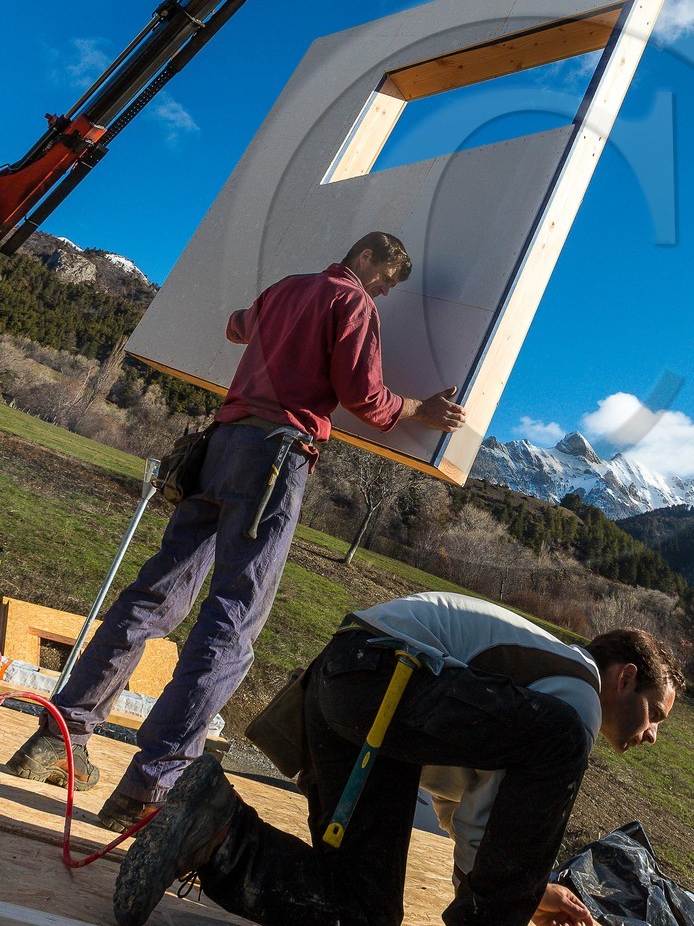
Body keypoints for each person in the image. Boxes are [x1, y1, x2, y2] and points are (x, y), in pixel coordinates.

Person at [6, 232, 464, 830]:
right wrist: (417, 411)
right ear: (368, 257)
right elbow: (365, 397)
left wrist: (279, 328)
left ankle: (58, 739)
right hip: (276, 455)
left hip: (220, 446)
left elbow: (234, 326)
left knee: (151, 598)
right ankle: (150, 788)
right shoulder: (352, 303)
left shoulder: (288, 289)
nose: (382, 290)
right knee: (232, 619)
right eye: (386, 277)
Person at [112, 590, 682, 926]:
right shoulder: (578, 694)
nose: (653, 735)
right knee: (563, 740)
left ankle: (216, 832)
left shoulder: (538, 691)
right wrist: (497, 914)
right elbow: (490, 824)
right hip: (381, 674)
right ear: (625, 677)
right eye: (655, 713)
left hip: (349, 687)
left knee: (365, 920)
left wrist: (524, 894)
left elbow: (467, 803)